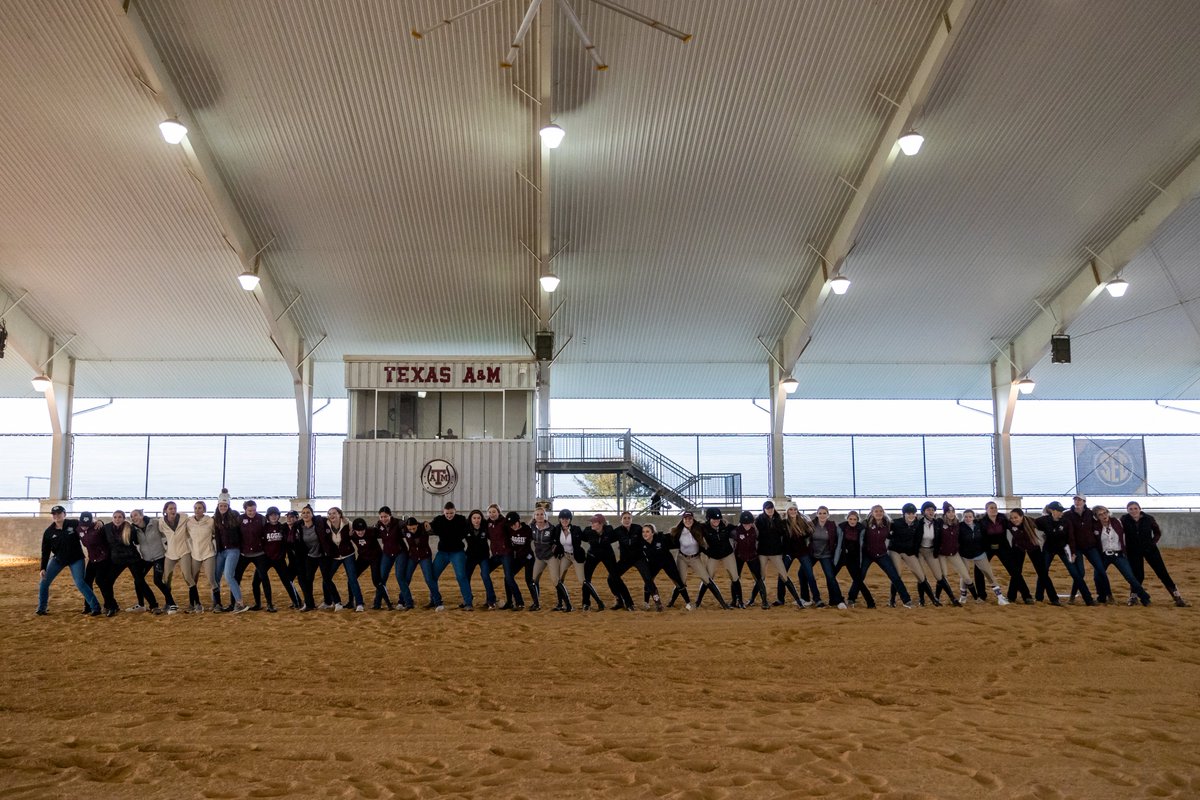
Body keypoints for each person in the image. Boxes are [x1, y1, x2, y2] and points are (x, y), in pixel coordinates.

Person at [36, 506, 101, 616]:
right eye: (54, 514)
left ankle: (95, 607)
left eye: (59, 513)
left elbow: (89, 523)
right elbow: (45, 551)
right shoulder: (48, 532)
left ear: (64, 514)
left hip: (76, 559)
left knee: (80, 583)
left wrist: (99, 521)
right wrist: (43, 567)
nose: (56, 516)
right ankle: (41, 608)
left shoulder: (74, 523)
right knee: (43, 583)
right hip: (58, 559)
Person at [1121, 501, 1188, 607]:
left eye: (1135, 508)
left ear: (1139, 508)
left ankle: (1177, 597)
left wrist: (1152, 543)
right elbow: (1120, 533)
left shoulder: (1149, 518)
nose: (1133, 511)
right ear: (1127, 510)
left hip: (1150, 550)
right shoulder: (1124, 519)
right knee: (1138, 575)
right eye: (1130, 509)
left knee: (1162, 573)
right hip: (1133, 551)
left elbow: (1157, 532)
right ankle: (1133, 597)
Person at [852, 505, 911, 608]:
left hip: (882, 554)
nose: (878, 513)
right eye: (876, 511)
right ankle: (851, 598)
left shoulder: (888, 524)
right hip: (867, 555)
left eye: (880, 511)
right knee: (860, 576)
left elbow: (894, 535)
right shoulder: (865, 524)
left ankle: (906, 600)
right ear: (872, 513)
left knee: (894, 576)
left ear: (883, 512)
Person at [1091, 505, 1150, 606]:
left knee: (1130, 577)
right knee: (1097, 576)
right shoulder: (1095, 526)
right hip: (1104, 555)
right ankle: (1102, 597)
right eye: (1100, 514)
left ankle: (1144, 596)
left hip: (1118, 554)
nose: (1104, 516)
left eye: (1105, 513)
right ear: (1096, 517)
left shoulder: (1117, 522)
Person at [1036, 501, 1092, 605]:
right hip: (1049, 549)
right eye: (1059, 511)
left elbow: (1071, 538)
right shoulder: (1043, 521)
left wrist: (1073, 552)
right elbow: (1031, 524)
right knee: (1043, 572)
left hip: (1064, 549)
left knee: (1075, 573)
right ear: (1051, 511)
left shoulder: (1066, 522)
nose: (1061, 513)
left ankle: (1088, 599)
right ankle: (1039, 597)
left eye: (1061, 511)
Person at [889, 503, 939, 606]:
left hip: (909, 552)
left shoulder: (917, 523)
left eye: (913, 513)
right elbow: (886, 534)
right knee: (897, 574)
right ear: (904, 514)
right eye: (909, 513)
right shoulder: (895, 523)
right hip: (895, 551)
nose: (911, 515)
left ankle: (934, 600)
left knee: (921, 575)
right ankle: (892, 600)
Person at [103, 510, 153, 613]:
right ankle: (112, 605)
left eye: (120, 517)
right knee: (107, 581)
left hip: (132, 558)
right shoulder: (107, 528)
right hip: (117, 560)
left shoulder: (130, 528)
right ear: (112, 518)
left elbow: (138, 541)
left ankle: (153, 605)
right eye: (115, 517)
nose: (117, 519)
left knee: (140, 581)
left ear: (124, 518)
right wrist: (99, 521)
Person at [1008, 507, 1059, 605]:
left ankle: (1054, 598)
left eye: (1016, 517)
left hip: (1033, 547)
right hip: (1018, 548)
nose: (1014, 520)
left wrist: (1050, 513)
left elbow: (1046, 523)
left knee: (1043, 573)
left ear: (1022, 516)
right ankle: (1012, 596)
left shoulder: (1032, 522)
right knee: (1016, 573)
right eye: (1012, 518)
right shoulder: (1009, 524)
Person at [430, 502, 474, 611]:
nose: (449, 515)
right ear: (443, 512)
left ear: (455, 511)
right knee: (432, 576)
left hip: (457, 552)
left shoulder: (462, 519)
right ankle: (434, 600)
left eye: (451, 513)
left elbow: (471, 527)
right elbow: (428, 526)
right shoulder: (438, 520)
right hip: (442, 553)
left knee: (461, 577)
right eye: (447, 513)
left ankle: (468, 602)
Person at [958, 509, 1009, 605]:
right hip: (965, 555)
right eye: (965, 517)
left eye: (970, 516)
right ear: (963, 517)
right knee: (964, 575)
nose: (968, 518)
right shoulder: (960, 526)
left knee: (989, 574)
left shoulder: (979, 525)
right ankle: (963, 596)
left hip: (979, 554)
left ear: (973, 517)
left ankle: (1000, 597)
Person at [583, 513, 632, 611]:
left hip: (607, 555)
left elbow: (619, 537)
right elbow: (579, 538)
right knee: (586, 579)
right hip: (592, 555)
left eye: (594, 522)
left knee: (615, 577)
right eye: (591, 522)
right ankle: (586, 603)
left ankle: (628, 603)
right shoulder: (588, 531)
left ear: (601, 523)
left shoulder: (609, 530)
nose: (592, 524)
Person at [636, 523, 689, 611]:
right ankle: (646, 603)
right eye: (643, 532)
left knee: (677, 580)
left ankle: (688, 603)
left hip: (667, 562)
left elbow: (677, 540)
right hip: (653, 564)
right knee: (648, 581)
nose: (645, 534)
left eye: (647, 531)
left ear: (653, 533)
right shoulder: (641, 543)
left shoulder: (662, 538)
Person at [916, 501, 960, 606]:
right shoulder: (918, 523)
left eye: (932, 510)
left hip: (931, 551)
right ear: (923, 512)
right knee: (921, 576)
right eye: (928, 510)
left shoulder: (938, 523)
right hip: (920, 551)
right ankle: (922, 599)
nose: (931, 512)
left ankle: (953, 599)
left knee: (939, 576)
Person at [1064, 494, 1106, 603]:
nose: (1077, 502)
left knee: (1101, 570)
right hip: (1076, 547)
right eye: (1075, 500)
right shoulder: (1067, 515)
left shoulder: (1091, 514)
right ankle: (1073, 595)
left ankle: (1106, 595)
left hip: (1090, 546)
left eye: (1079, 500)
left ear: (1084, 501)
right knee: (1080, 573)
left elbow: (1098, 526)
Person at [234, 500, 275, 612]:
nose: (252, 512)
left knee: (264, 578)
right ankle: (233, 603)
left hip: (259, 554)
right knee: (236, 578)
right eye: (249, 510)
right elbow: (236, 534)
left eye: (254, 510)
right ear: (245, 510)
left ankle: (269, 604)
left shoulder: (261, 519)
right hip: (244, 554)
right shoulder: (240, 519)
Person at [695, 507, 739, 609]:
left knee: (734, 576)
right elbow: (698, 540)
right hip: (713, 555)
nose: (716, 521)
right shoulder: (703, 527)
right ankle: (698, 601)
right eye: (714, 519)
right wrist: (707, 551)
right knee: (707, 578)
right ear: (708, 519)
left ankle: (737, 600)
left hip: (727, 553)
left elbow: (737, 530)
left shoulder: (725, 525)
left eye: (718, 519)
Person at [259, 507, 302, 610]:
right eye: (271, 515)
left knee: (287, 581)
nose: (274, 516)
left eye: (276, 515)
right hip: (266, 559)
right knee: (258, 580)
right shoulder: (264, 528)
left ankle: (297, 602)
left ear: (278, 516)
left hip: (279, 559)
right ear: (268, 517)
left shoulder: (283, 527)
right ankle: (265, 603)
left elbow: (296, 525)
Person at [975, 501, 1018, 601]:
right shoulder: (981, 521)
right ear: (986, 509)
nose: (994, 509)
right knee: (979, 571)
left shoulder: (1003, 518)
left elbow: (1013, 527)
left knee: (1014, 570)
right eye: (991, 508)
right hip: (986, 548)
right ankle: (981, 595)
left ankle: (1014, 596)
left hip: (1003, 547)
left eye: (995, 507)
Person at [131, 509, 173, 612]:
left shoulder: (155, 523)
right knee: (138, 580)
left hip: (159, 557)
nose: (133, 518)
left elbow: (167, 532)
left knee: (157, 581)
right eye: (131, 516)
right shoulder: (134, 529)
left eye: (135, 515)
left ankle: (171, 603)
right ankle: (141, 604)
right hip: (146, 559)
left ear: (142, 515)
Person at [79, 511, 119, 616]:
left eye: (87, 525)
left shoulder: (99, 528)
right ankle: (88, 605)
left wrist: (101, 521)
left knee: (101, 581)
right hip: (92, 559)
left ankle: (111, 606)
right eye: (83, 525)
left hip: (104, 558)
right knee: (87, 582)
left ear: (92, 522)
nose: (85, 528)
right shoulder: (78, 528)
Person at [937, 503, 978, 604]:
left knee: (966, 575)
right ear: (945, 513)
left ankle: (976, 597)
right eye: (948, 512)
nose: (951, 514)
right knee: (943, 576)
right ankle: (936, 597)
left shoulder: (957, 524)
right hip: (941, 553)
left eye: (953, 511)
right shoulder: (939, 523)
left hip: (954, 553)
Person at [779, 505, 819, 607]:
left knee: (810, 575)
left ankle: (817, 599)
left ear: (797, 511)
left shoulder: (802, 521)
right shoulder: (783, 523)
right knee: (782, 575)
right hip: (789, 552)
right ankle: (780, 599)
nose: (793, 511)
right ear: (787, 511)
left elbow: (810, 532)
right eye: (791, 509)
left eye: (795, 509)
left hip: (802, 552)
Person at [211, 499, 246, 613]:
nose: (223, 507)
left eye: (225, 505)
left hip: (233, 550)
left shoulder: (234, 517)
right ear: (218, 506)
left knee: (228, 575)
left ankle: (239, 603)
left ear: (228, 506)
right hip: (221, 551)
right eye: (221, 505)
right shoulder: (215, 519)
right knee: (215, 577)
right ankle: (216, 603)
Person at [548, 509, 586, 612]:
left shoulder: (576, 529)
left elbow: (586, 537)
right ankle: (560, 604)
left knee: (582, 580)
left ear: (570, 519)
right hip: (565, 556)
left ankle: (589, 602)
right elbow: (552, 540)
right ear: (559, 519)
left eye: (567, 518)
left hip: (576, 556)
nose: (564, 520)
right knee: (559, 579)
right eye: (562, 518)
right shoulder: (557, 529)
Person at [485, 504, 522, 610]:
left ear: (498, 512)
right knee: (485, 572)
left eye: (494, 512)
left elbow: (515, 530)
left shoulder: (505, 522)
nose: (492, 514)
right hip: (496, 554)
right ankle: (490, 599)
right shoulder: (487, 523)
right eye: (490, 512)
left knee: (509, 577)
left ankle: (519, 601)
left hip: (506, 553)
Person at [183, 501, 217, 613]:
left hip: (208, 553)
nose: (197, 510)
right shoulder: (189, 522)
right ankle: (192, 604)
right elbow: (187, 535)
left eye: (200, 508)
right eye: (196, 508)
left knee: (211, 578)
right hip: (195, 554)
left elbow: (215, 534)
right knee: (192, 580)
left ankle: (216, 603)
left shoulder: (210, 521)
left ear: (204, 509)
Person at [808, 506, 846, 609]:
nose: (822, 515)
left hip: (826, 555)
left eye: (824, 513)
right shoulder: (811, 524)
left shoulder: (832, 525)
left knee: (830, 576)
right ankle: (811, 598)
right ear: (817, 514)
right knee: (802, 573)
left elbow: (838, 540)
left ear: (828, 514)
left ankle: (839, 600)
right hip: (813, 554)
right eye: (820, 513)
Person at [351, 512, 389, 610]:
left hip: (375, 558)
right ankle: (351, 602)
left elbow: (383, 529)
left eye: (362, 530)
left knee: (376, 581)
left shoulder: (372, 531)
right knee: (352, 577)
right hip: (363, 558)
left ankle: (388, 603)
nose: (360, 533)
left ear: (366, 528)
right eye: (357, 531)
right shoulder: (352, 535)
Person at [834, 509, 872, 608]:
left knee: (858, 580)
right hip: (841, 556)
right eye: (850, 519)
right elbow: (836, 542)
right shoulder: (841, 527)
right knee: (831, 577)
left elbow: (863, 544)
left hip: (853, 558)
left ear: (857, 520)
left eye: (854, 519)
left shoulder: (862, 529)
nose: (852, 521)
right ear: (847, 519)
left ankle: (870, 602)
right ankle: (834, 599)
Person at [376, 506, 412, 610]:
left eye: (386, 516)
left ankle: (408, 602)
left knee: (400, 576)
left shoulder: (399, 523)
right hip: (387, 553)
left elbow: (409, 526)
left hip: (400, 552)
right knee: (382, 578)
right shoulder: (379, 525)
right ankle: (377, 603)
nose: (383, 519)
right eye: (381, 517)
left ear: (390, 515)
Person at [329, 511, 364, 612]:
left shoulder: (348, 523)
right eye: (329, 513)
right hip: (335, 556)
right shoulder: (326, 524)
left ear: (340, 515)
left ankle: (359, 603)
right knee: (327, 578)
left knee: (352, 578)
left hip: (348, 554)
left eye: (334, 513)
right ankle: (333, 601)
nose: (332, 515)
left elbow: (357, 533)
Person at [403, 515, 439, 610]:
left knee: (429, 579)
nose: (412, 530)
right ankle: (402, 600)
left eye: (414, 528)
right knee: (406, 578)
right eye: (409, 529)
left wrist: (427, 522)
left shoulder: (423, 527)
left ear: (417, 525)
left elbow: (433, 528)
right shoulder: (405, 529)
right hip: (412, 556)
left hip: (425, 556)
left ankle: (438, 601)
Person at [159, 501, 189, 614]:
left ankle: (194, 603)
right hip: (170, 553)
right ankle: (168, 602)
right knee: (167, 579)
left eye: (174, 508)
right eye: (170, 508)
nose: (173, 510)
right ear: (166, 510)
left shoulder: (184, 517)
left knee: (187, 576)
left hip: (183, 551)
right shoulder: (161, 522)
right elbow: (162, 534)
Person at [733, 510, 767, 609]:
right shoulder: (736, 531)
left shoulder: (755, 530)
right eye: (745, 524)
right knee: (735, 578)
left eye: (749, 523)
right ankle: (735, 600)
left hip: (752, 556)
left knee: (758, 578)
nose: (747, 525)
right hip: (739, 556)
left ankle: (764, 601)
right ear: (741, 523)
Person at [464, 509, 497, 609]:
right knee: (466, 577)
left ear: (481, 519)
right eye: (474, 518)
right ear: (471, 519)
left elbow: (495, 538)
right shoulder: (466, 528)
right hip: (470, 557)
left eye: (478, 518)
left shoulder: (486, 527)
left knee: (485, 576)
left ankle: (491, 601)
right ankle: (467, 599)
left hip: (483, 557)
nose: (476, 520)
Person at [507, 510, 538, 610]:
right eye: (511, 525)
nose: (513, 526)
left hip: (528, 558)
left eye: (514, 524)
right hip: (518, 558)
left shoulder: (527, 529)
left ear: (518, 521)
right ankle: (513, 602)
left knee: (529, 580)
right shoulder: (510, 530)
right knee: (508, 577)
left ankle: (536, 603)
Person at [528, 507, 557, 610]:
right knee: (533, 580)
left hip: (550, 557)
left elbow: (557, 542)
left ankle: (562, 604)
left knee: (555, 581)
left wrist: (555, 550)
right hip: (539, 558)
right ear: (534, 517)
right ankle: (536, 604)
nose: (539, 516)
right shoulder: (531, 527)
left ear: (545, 516)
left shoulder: (552, 528)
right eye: (537, 514)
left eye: (542, 514)